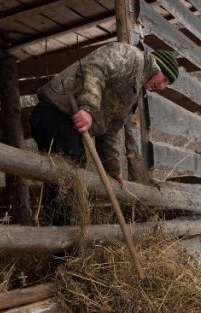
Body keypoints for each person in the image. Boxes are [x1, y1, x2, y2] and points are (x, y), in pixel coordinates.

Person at [30, 43, 179, 224]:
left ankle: (58, 229)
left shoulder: (133, 94)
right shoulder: (131, 56)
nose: (162, 87)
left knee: (70, 170)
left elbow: (110, 132)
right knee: (70, 168)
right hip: (55, 112)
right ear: (157, 67)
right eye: (165, 80)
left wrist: (113, 169)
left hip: (68, 124)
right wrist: (87, 107)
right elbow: (95, 68)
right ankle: (60, 233)